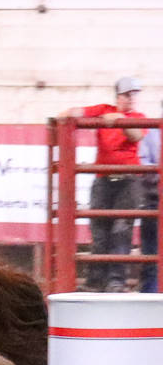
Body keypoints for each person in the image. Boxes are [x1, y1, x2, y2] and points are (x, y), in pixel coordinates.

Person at [62, 76, 145, 293]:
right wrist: (65, 116)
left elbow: (136, 135)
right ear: (118, 96)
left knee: (120, 231)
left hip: (128, 181)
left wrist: (117, 118)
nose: (131, 99)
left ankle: (115, 282)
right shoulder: (102, 109)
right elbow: (77, 112)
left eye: (133, 95)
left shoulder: (137, 117)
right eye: (127, 95)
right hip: (104, 180)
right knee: (99, 231)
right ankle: (96, 281)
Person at [138, 101, 160, 293]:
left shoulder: (151, 132)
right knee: (152, 255)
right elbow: (143, 166)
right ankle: (151, 297)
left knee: (152, 253)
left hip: (154, 198)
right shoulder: (151, 132)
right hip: (155, 200)